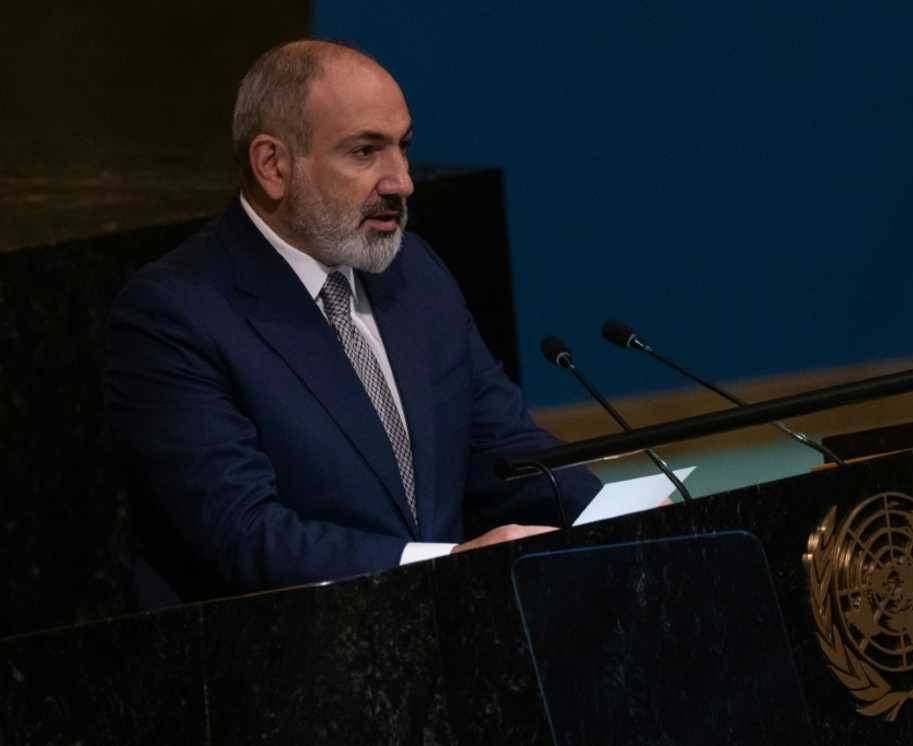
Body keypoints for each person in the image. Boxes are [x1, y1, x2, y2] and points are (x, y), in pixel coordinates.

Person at [104, 39, 600, 608]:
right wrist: (447, 566)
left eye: (402, 147)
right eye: (365, 152)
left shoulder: (415, 272)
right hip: (283, 645)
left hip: (447, 632)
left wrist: (617, 513)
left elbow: (502, 447)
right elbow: (243, 534)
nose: (401, 181)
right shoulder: (176, 312)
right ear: (273, 165)